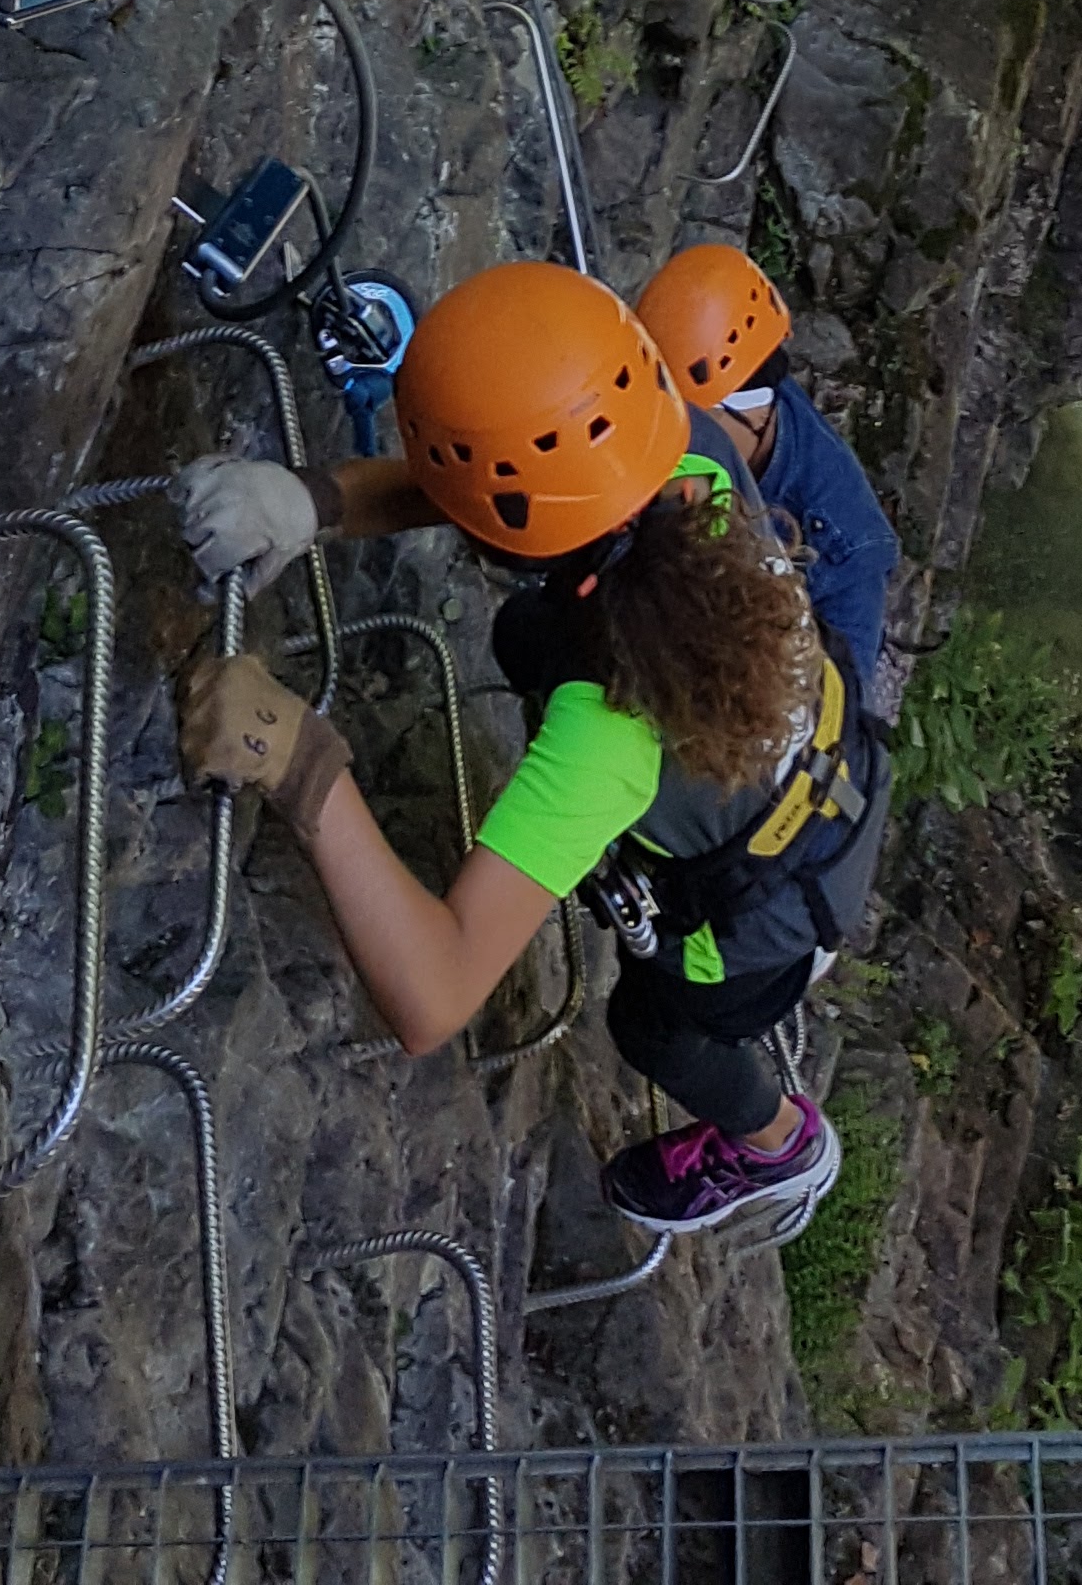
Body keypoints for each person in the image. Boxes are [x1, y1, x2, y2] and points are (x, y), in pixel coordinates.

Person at [174, 261, 890, 1238]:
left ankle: (779, 1149)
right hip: (828, 775)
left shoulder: (607, 735)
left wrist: (299, 761)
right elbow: (534, 484)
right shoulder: (691, 446)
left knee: (654, 1027)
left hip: (763, 921)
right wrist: (315, 500)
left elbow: (434, 995)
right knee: (529, 634)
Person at [636, 242, 898, 695]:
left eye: (694, 424)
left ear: (753, 416)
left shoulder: (846, 553)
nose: (675, 443)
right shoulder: (736, 381)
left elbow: (842, 710)